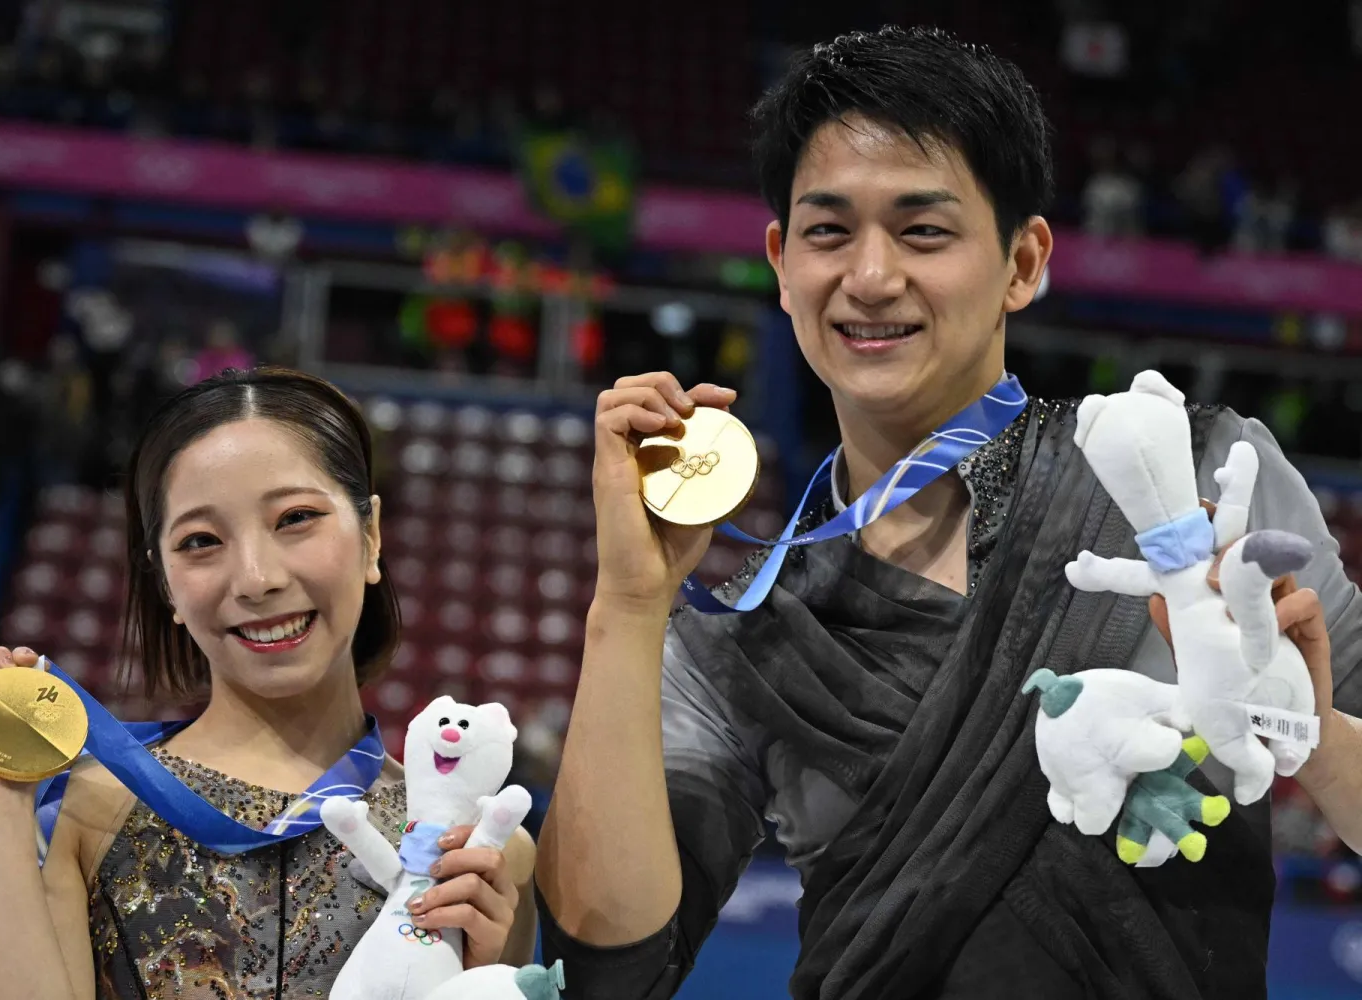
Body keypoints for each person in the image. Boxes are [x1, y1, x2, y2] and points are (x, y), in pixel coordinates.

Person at [535, 26, 1362, 1000]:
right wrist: (626, 607)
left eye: (923, 230)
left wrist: (1311, 735)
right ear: (781, 261)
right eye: (830, 230)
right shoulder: (749, 639)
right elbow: (609, 963)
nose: (872, 276)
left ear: (1023, 260)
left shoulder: (1200, 479)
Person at [0, 367, 537, 999]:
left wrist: (480, 973)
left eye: (295, 517)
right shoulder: (90, 810)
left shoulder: (480, 846)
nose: (255, 577)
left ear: (372, 535)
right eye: (201, 540)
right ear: (164, 582)